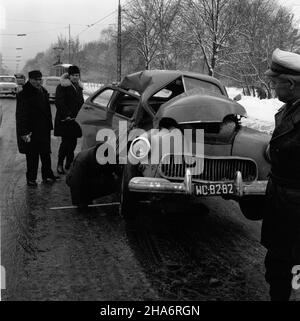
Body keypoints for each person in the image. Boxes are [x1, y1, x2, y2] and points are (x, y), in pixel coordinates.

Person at [262, 48, 300, 301]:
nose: (274, 88)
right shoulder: (288, 109)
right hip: (282, 201)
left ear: (290, 84)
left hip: (296, 205)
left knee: (289, 265)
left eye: (276, 83)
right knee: (277, 267)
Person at [16, 70, 58, 187]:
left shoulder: (43, 91)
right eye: (35, 80)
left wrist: (49, 126)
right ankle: (31, 178)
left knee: (45, 154)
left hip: (43, 129)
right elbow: (21, 115)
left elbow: (47, 111)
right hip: (31, 130)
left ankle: (47, 175)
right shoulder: (24, 94)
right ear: (30, 79)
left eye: (40, 79)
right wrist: (23, 132)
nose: (38, 82)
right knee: (32, 156)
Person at [54, 65, 84, 174]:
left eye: (77, 75)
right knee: (65, 143)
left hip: (75, 120)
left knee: (73, 143)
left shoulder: (79, 88)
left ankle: (69, 163)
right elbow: (59, 102)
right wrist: (67, 114)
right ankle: (60, 164)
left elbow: (80, 103)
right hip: (65, 120)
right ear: (69, 76)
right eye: (74, 75)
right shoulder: (62, 87)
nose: (76, 77)